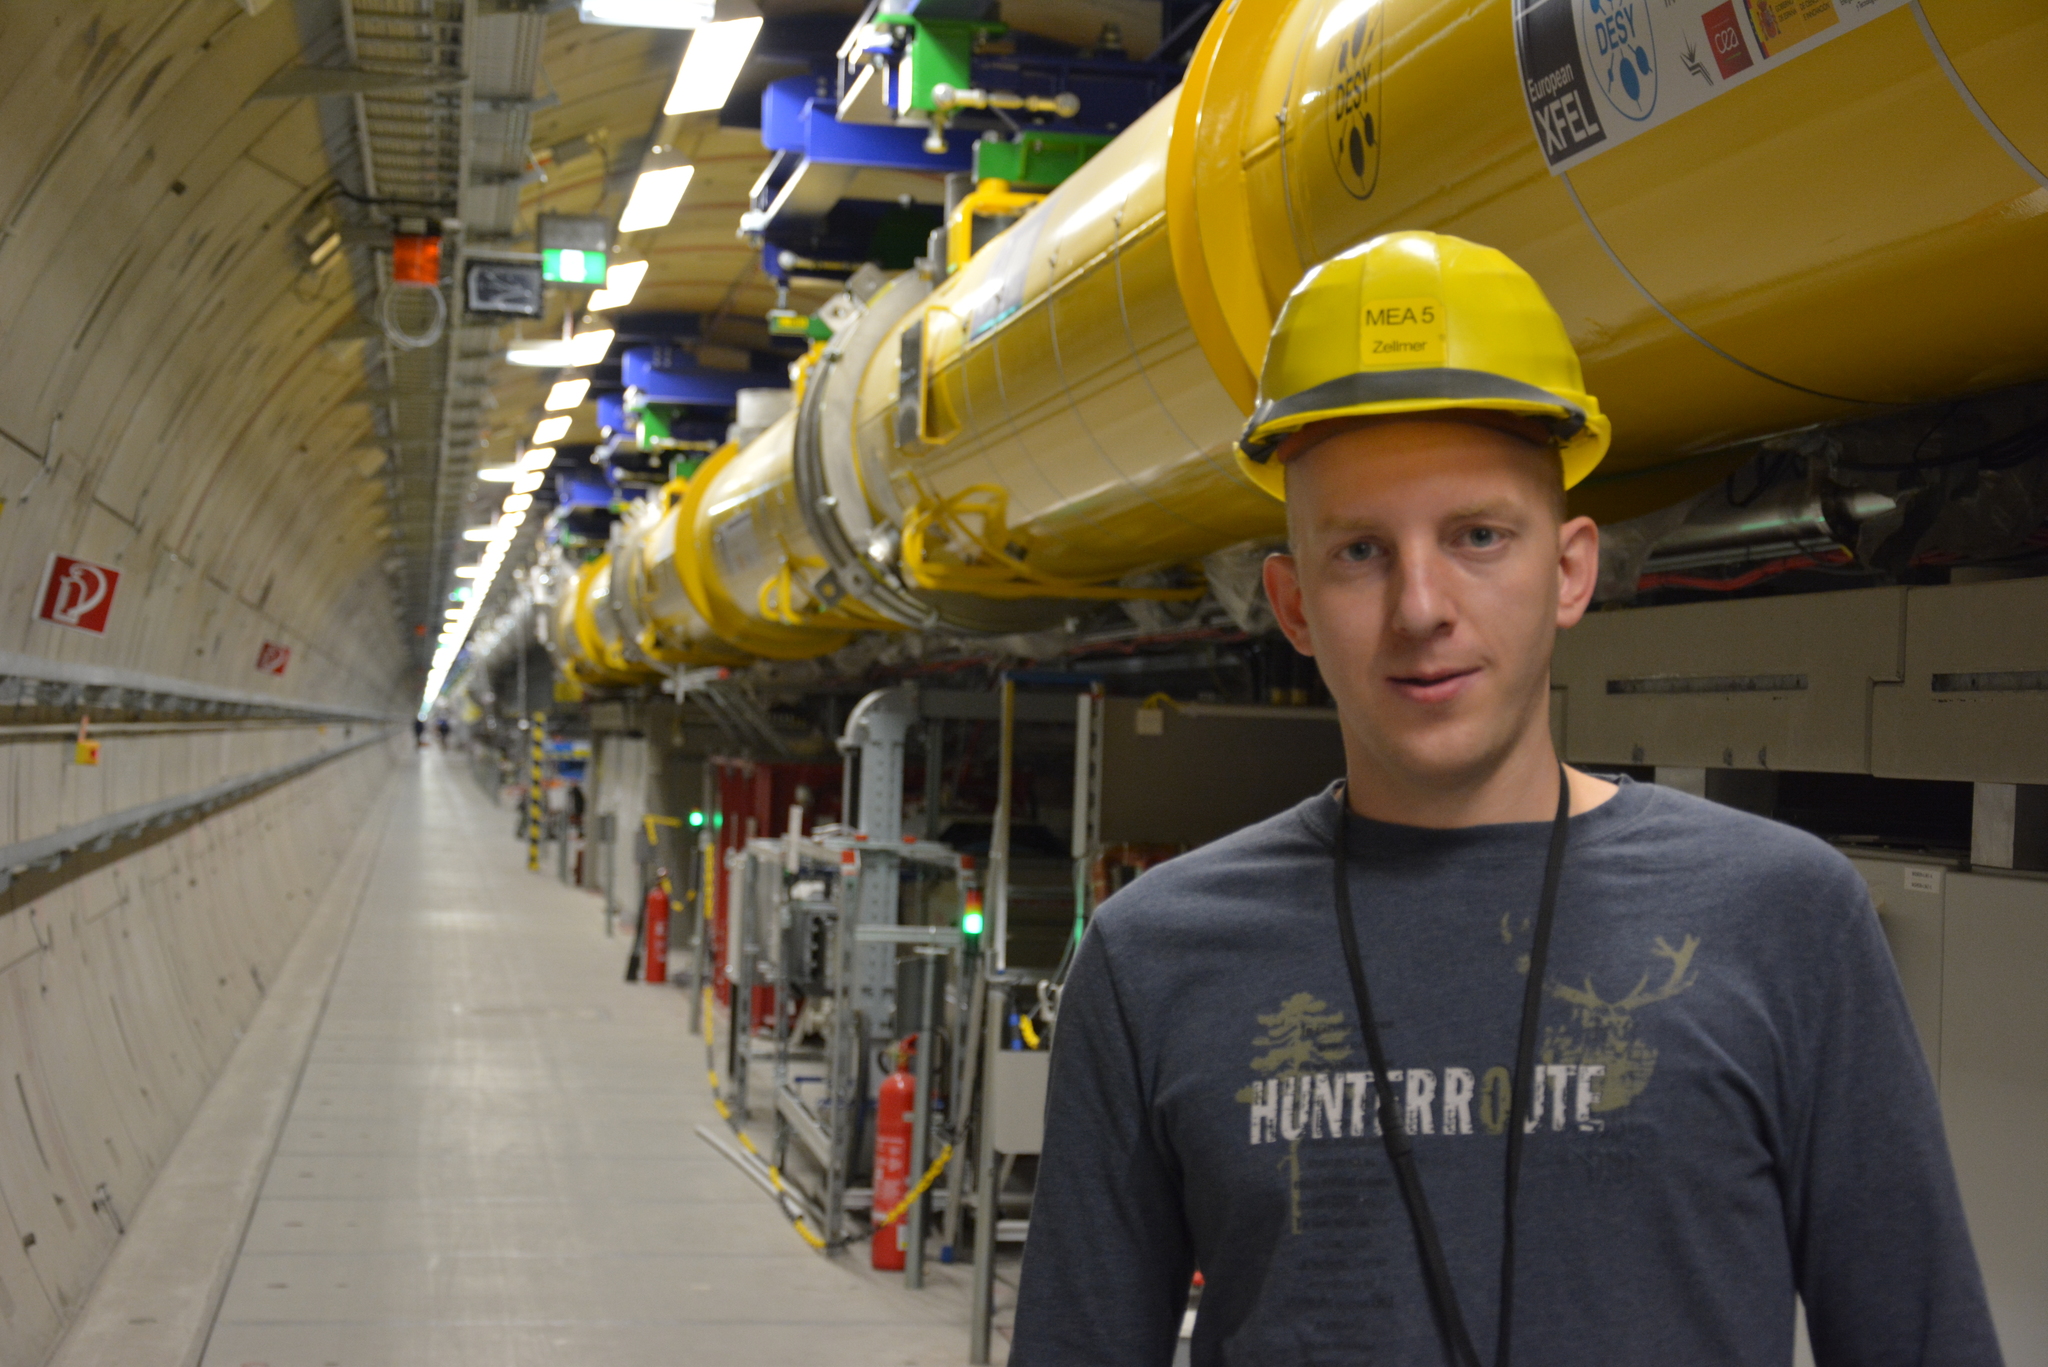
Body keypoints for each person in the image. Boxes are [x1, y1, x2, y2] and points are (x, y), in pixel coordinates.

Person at [1010, 232, 1999, 1365]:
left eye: (1478, 536)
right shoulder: (1152, 960)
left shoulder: (1782, 918)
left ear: (1569, 569)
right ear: (1289, 603)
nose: (1420, 605)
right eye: (1358, 552)